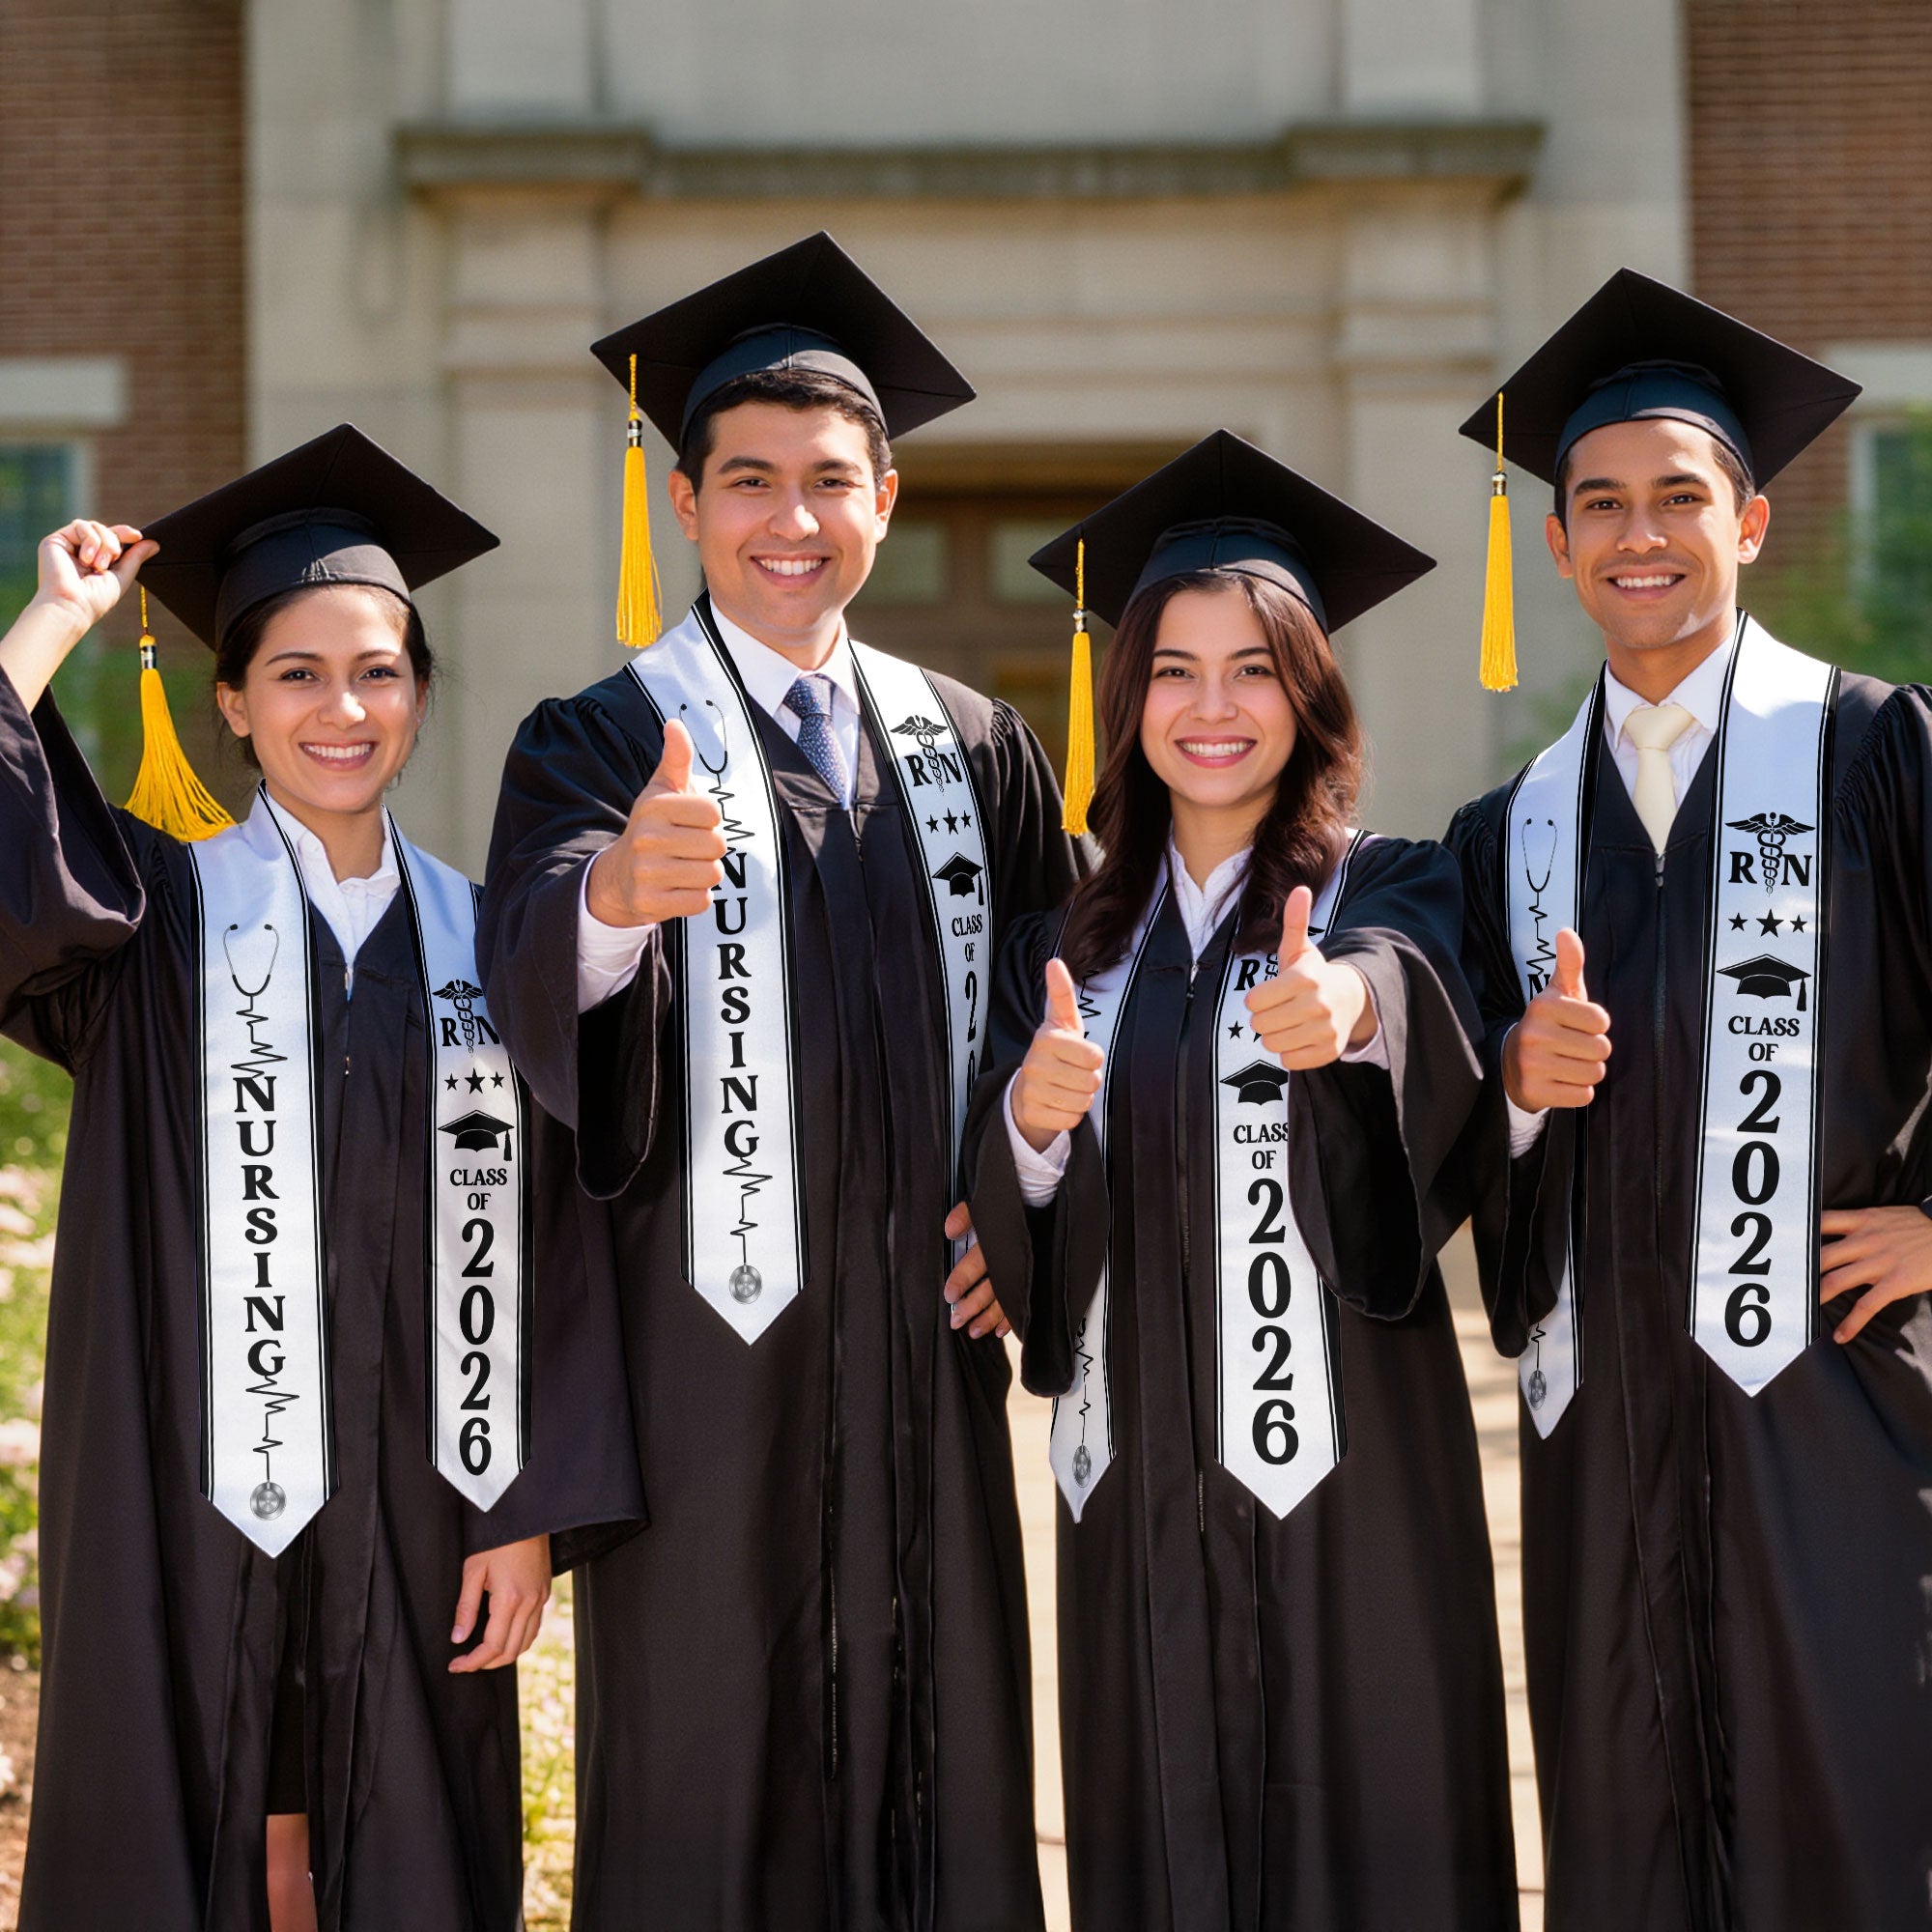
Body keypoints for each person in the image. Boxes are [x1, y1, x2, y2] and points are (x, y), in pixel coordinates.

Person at [478, 233, 1084, 1931]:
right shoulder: (599, 738)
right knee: (709, 1768)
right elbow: (529, 960)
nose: (791, 520)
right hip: (705, 1371)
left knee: (942, 1752)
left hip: (924, 1353)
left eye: (831, 481)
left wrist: (1027, 1210)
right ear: (686, 504)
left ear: (886, 497)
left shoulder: (974, 744)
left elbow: (1076, 1006)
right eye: (750, 482)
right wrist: (610, 900)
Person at [0, 425, 641, 1932]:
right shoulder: (148, 921)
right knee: (196, 1807)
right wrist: (51, 624)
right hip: (183, 1482)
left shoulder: (495, 941)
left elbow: (560, 1240)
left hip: (430, 1491)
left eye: (378, 671)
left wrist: (527, 1507)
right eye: (295, 673)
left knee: (405, 1833)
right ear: (230, 702)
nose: (341, 708)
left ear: (420, 694)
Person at [966, 432, 1518, 1931]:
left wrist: (1347, 1013)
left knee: (1375, 1832)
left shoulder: (1389, 884)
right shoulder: (1068, 948)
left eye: (1256, 669)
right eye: (1175, 670)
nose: (1214, 709)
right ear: (1126, 697)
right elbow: (1015, 1213)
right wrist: (1025, 1118)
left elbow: (1411, 992)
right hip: (1136, 1477)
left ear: (1311, 693)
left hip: (1354, 1482)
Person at [1446, 270, 1932, 1931]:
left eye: (1678, 497)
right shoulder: (1506, 831)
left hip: (1838, 1406)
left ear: (1753, 520)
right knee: (1626, 1830)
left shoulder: (1876, 754)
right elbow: (1446, 1137)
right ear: (1561, 543)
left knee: (1855, 1813)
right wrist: (1511, 1087)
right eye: (1599, 504)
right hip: (1605, 1432)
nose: (1637, 534)